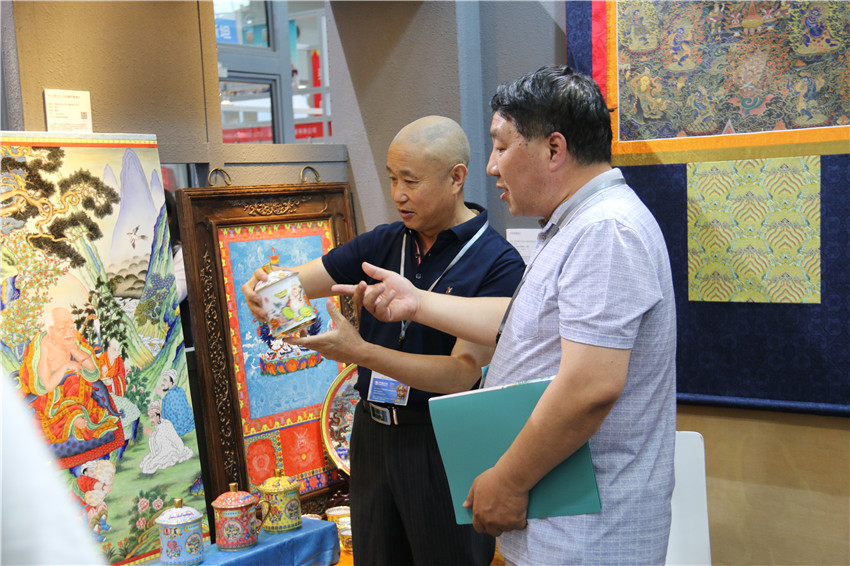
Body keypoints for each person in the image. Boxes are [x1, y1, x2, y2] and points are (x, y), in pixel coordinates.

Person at [344, 67, 677, 565]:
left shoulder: (605, 231)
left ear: (554, 149)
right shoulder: (575, 224)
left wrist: (508, 480)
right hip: (560, 528)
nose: (491, 167)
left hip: (586, 537)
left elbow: (590, 386)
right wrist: (417, 302)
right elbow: (522, 325)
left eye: (501, 147)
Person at [241, 115, 525, 566]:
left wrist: (361, 352)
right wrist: (265, 287)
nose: (398, 194)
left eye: (410, 181)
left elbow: (460, 374)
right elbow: (300, 281)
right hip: (372, 435)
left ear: (456, 178)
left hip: (442, 440)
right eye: (392, 178)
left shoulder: (498, 262)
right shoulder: (384, 243)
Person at [17, 307, 124, 469]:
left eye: (71, 327)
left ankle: (80, 417)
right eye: (62, 329)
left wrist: (74, 348)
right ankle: (74, 418)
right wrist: (65, 366)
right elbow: (46, 386)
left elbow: (93, 372)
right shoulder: (42, 347)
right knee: (69, 386)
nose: (68, 332)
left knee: (75, 382)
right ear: (51, 330)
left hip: (75, 391)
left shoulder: (73, 338)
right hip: (51, 398)